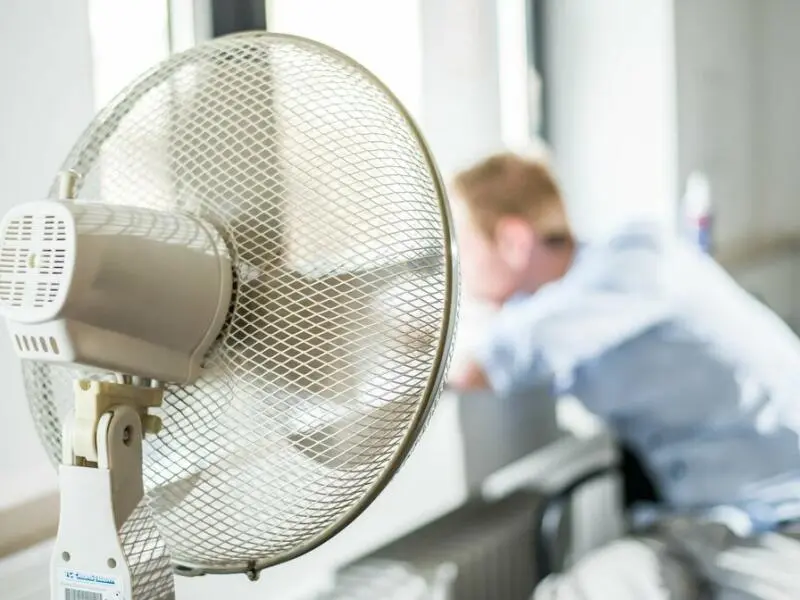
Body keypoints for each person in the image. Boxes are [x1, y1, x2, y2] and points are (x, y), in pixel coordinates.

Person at [448, 151, 800, 599]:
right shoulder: (555, 306)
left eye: (464, 244)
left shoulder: (634, 259)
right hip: (691, 525)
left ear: (514, 239)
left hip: (780, 520)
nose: (457, 265)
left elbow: (485, 364)